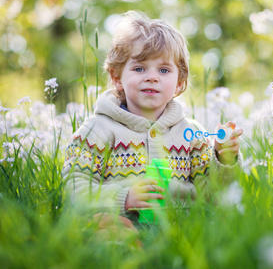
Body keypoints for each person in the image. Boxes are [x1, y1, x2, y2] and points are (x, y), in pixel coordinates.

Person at [62, 11, 243, 218]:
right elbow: (74, 188)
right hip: (119, 224)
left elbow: (214, 195)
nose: (152, 78)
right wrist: (124, 197)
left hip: (181, 231)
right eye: (139, 68)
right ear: (117, 77)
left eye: (164, 71)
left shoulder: (191, 134)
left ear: (179, 83)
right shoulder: (96, 131)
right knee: (102, 226)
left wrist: (224, 157)